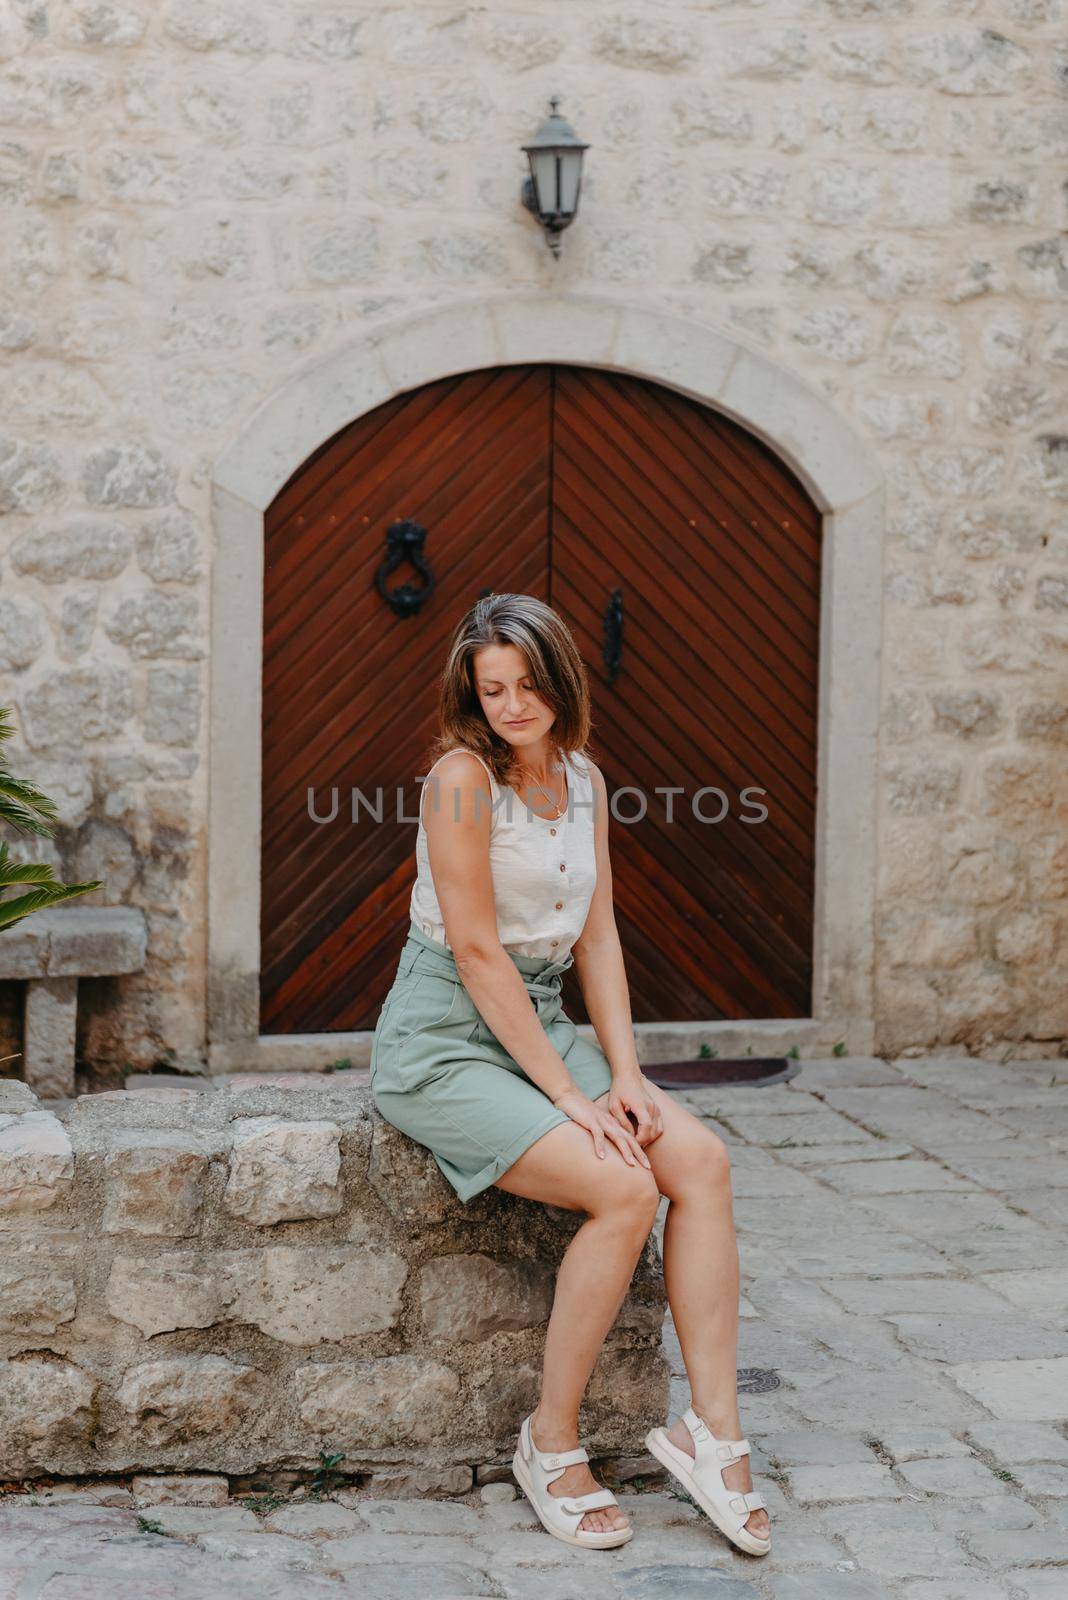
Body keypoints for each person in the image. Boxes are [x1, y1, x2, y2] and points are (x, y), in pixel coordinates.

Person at [370, 593, 770, 1557]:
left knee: (700, 1161)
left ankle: (711, 1436)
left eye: (527, 683)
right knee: (624, 1187)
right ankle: (550, 1444)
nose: (510, 704)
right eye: (491, 687)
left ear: (561, 680)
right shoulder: (460, 779)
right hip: (444, 1038)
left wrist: (624, 1074)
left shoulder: (582, 776)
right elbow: (475, 951)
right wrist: (567, 1096)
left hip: (542, 1018)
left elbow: (597, 931)